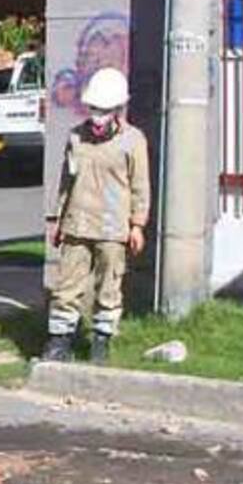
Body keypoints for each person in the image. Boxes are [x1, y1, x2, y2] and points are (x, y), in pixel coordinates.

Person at [43, 67, 150, 365]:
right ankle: (59, 341)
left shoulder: (133, 141)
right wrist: (57, 220)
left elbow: (140, 186)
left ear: (117, 109)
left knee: (109, 287)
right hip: (78, 224)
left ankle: (101, 341)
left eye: (104, 110)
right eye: (93, 109)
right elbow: (66, 181)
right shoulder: (76, 138)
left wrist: (137, 225)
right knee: (66, 287)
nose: (98, 116)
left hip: (113, 228)